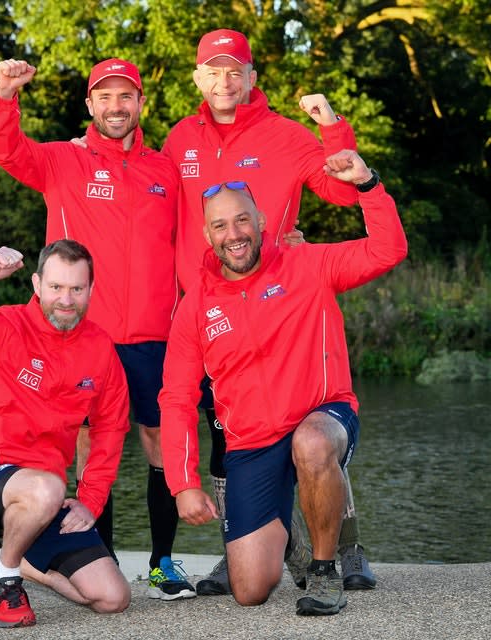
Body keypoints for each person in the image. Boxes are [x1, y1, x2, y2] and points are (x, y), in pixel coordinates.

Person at [162, 28, 376, 594]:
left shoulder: (286, 134)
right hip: (209, 314)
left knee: (312, 426)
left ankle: (347, 550)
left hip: (284, 304)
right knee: (224, 434)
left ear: (252, 78)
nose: (225, 81)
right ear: (198, 78)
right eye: (214, 70)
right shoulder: (179, 139)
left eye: (236, 70)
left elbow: (344, 189)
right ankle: (245, 542)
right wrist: (89, 151)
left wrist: (331, 123)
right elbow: (147, 198)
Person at [159, 150, 407, 615]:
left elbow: (387, 249)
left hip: (323, 415)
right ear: (206, 235)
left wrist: (369, 185)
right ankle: (290, 536)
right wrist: (182, 483)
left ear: (262, 220)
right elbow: (175, 398)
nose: (233, 234)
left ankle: (323, 568)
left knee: (311, 444)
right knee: (249, 589)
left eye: (241, 220)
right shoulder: (195, 306)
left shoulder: (307, 265)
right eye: (219, 226)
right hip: (252, 443)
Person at [0, 58, 196, 600]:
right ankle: (96, 557)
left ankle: (162, 563)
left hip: (154, 335)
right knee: (87, 445)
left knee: (157, 441)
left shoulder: (164, 170)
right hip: (84, 338)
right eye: (105, 98)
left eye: (126, 96)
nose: (116, 107)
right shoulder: (63, 160)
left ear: (140, 104)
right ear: (90, 107)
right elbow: (7, 151)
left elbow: (198, 235)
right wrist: (5, 97)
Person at [0, 240, 132, 628]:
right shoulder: (2, 326)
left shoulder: (100, 348)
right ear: (37, 284)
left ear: (91, 290)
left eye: (76, 289)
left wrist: (91, 500)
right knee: (47, 488)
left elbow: (111, 427)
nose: (66, 299)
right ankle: (6, 578)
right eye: (56, 287)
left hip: (42, 499)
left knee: (112, 597)